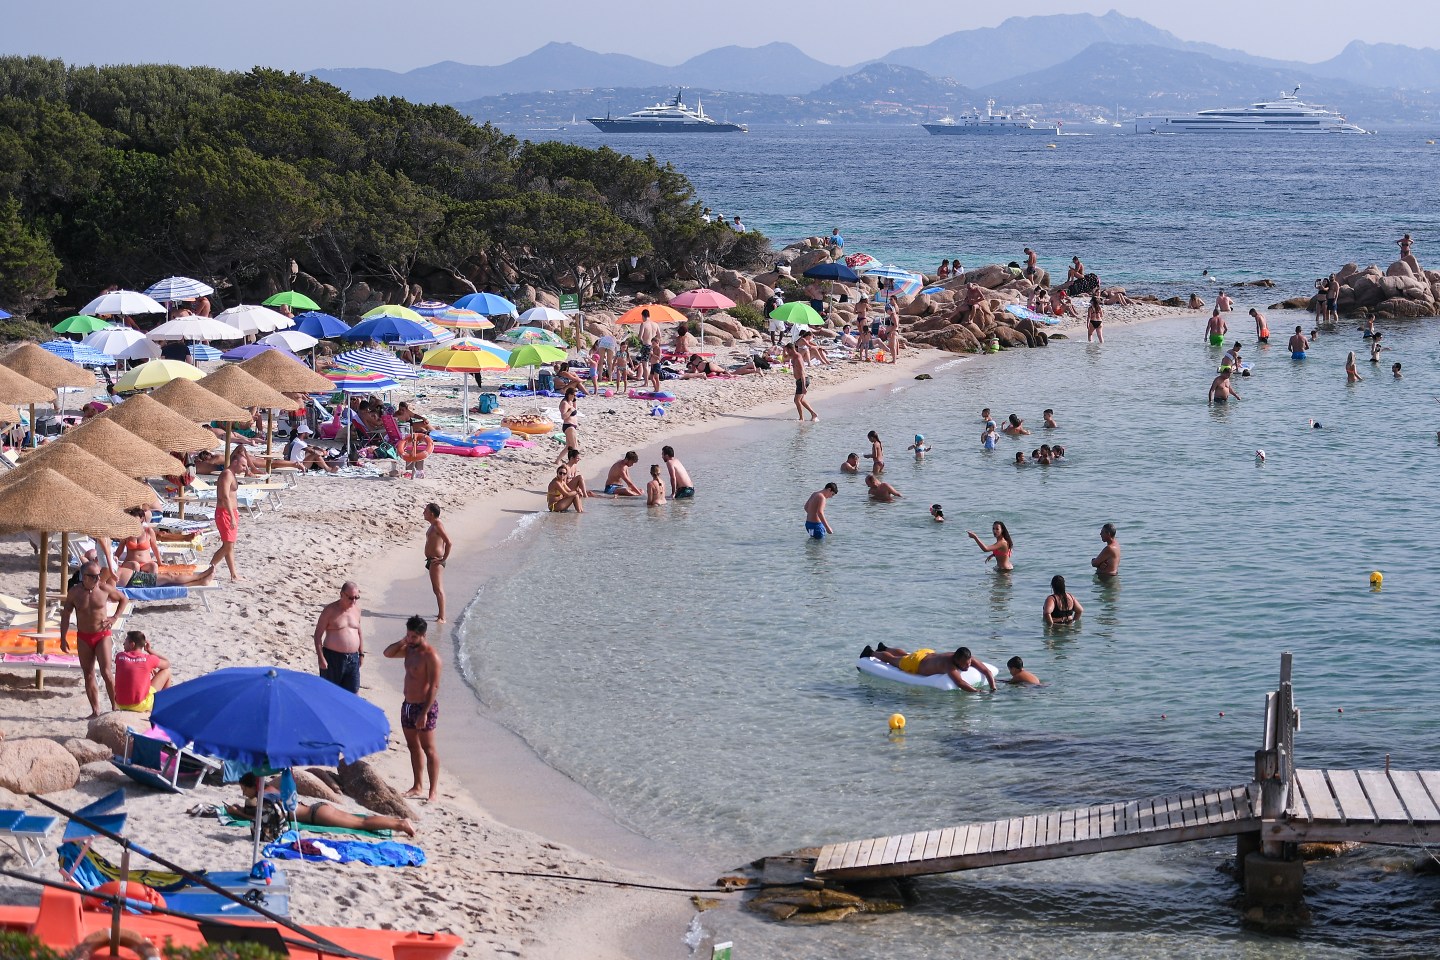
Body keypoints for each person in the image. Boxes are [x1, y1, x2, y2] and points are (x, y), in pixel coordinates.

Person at [231, 771, 415, 837]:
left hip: (317, 815)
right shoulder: (271, 790)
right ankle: (397, 822)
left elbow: (268, 817)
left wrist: (239, 814)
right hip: (317, 809)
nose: (243, 793)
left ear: (251, 786)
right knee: (361, 820)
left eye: (243, 789)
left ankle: (401, 824)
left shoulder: (267, 797)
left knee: (362, 823)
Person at [383, 615, 442, 802]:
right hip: (407, 705)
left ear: (423, 635)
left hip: (424, 707)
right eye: (408, 635)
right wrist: (403, 641)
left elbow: (434, 686)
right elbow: (387, 653)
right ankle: (417, 786)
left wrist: (424, 713)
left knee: (428, 748)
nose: (410, 639)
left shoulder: (431, 656)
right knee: (412, 747)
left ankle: (432, 792)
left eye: (413, 637)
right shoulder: (409, 649)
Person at [59, 563, 130, 717]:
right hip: (84, 636)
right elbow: (65, 615)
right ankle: (95, 710)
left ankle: (115, 706)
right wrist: (63, 637)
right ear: (84, 577)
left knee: (106, 672)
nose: (98, 578)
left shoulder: (104, 588)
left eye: (99, 575)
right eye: (93, 576)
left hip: (102, 635)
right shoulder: (74, 592)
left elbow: (124, 599)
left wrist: (114, 617)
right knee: (88, 674)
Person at [865, 645, 997, 693]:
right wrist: (978, 692)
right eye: (965, 664)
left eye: (969, 663)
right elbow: (961, 683)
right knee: (893, 660)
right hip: (916, 662)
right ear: (957, 660)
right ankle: (871, 652)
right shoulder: (949, 665)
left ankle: (884, 647)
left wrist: (993, 688)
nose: (968, 666)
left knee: (904, 655)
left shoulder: (967, 658)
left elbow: (987, 671)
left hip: (927, 653)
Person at [313, 581, 364, 693]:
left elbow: (359, 631)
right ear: (342, 594)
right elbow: (317, 635)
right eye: (350, 598)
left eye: (356, 597)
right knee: (330, 693)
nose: (354, 601)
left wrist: (361, 654)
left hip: (353, 658)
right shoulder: (330, 610)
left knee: (353, 694)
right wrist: (321, 658)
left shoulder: (357, 610)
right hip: (332, 658)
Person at [114, 630, 171, 713]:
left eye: (125, 642)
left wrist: (148, 668)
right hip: (139, 704)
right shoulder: (149, 659)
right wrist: (149, 651)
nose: (123, 644)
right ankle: (164, 708)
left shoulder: (120, 656)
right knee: (167, 671)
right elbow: (167, 663)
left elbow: (132, 666)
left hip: (121, 703)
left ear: (132, 644)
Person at [212, 448, 242, 581]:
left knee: (230, 545)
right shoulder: (227, 474)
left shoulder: (232, 474)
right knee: (228, 545)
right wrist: (231, 515)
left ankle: (234, 574)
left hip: (231, 512)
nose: (244, 468)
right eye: (243, 465)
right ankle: (210, 568)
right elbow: (225, 497)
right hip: (225, 513)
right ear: (235, 462)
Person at [422, 503, 451, 623]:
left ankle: (442, 618)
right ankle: (440, 614)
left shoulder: (438, 524)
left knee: (438, 589)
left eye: (425, 511)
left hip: (436, 560)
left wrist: (443, 558)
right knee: (436, 589)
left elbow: (448, 542)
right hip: (432, 560)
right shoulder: (433, 525)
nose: (423, 513)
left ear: (432, 514)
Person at [789, 342, 818, 421]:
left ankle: (801, 418)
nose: (787, 352)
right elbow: (784, 357)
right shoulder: (794, 356)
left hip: (802, 380)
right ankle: (813, 414)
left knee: (796, 400)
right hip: (799, 381)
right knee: (801, 399)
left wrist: (804, 386)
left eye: (787, 350)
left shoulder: (798, 358)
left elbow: (802, 372)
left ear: (790, 350)